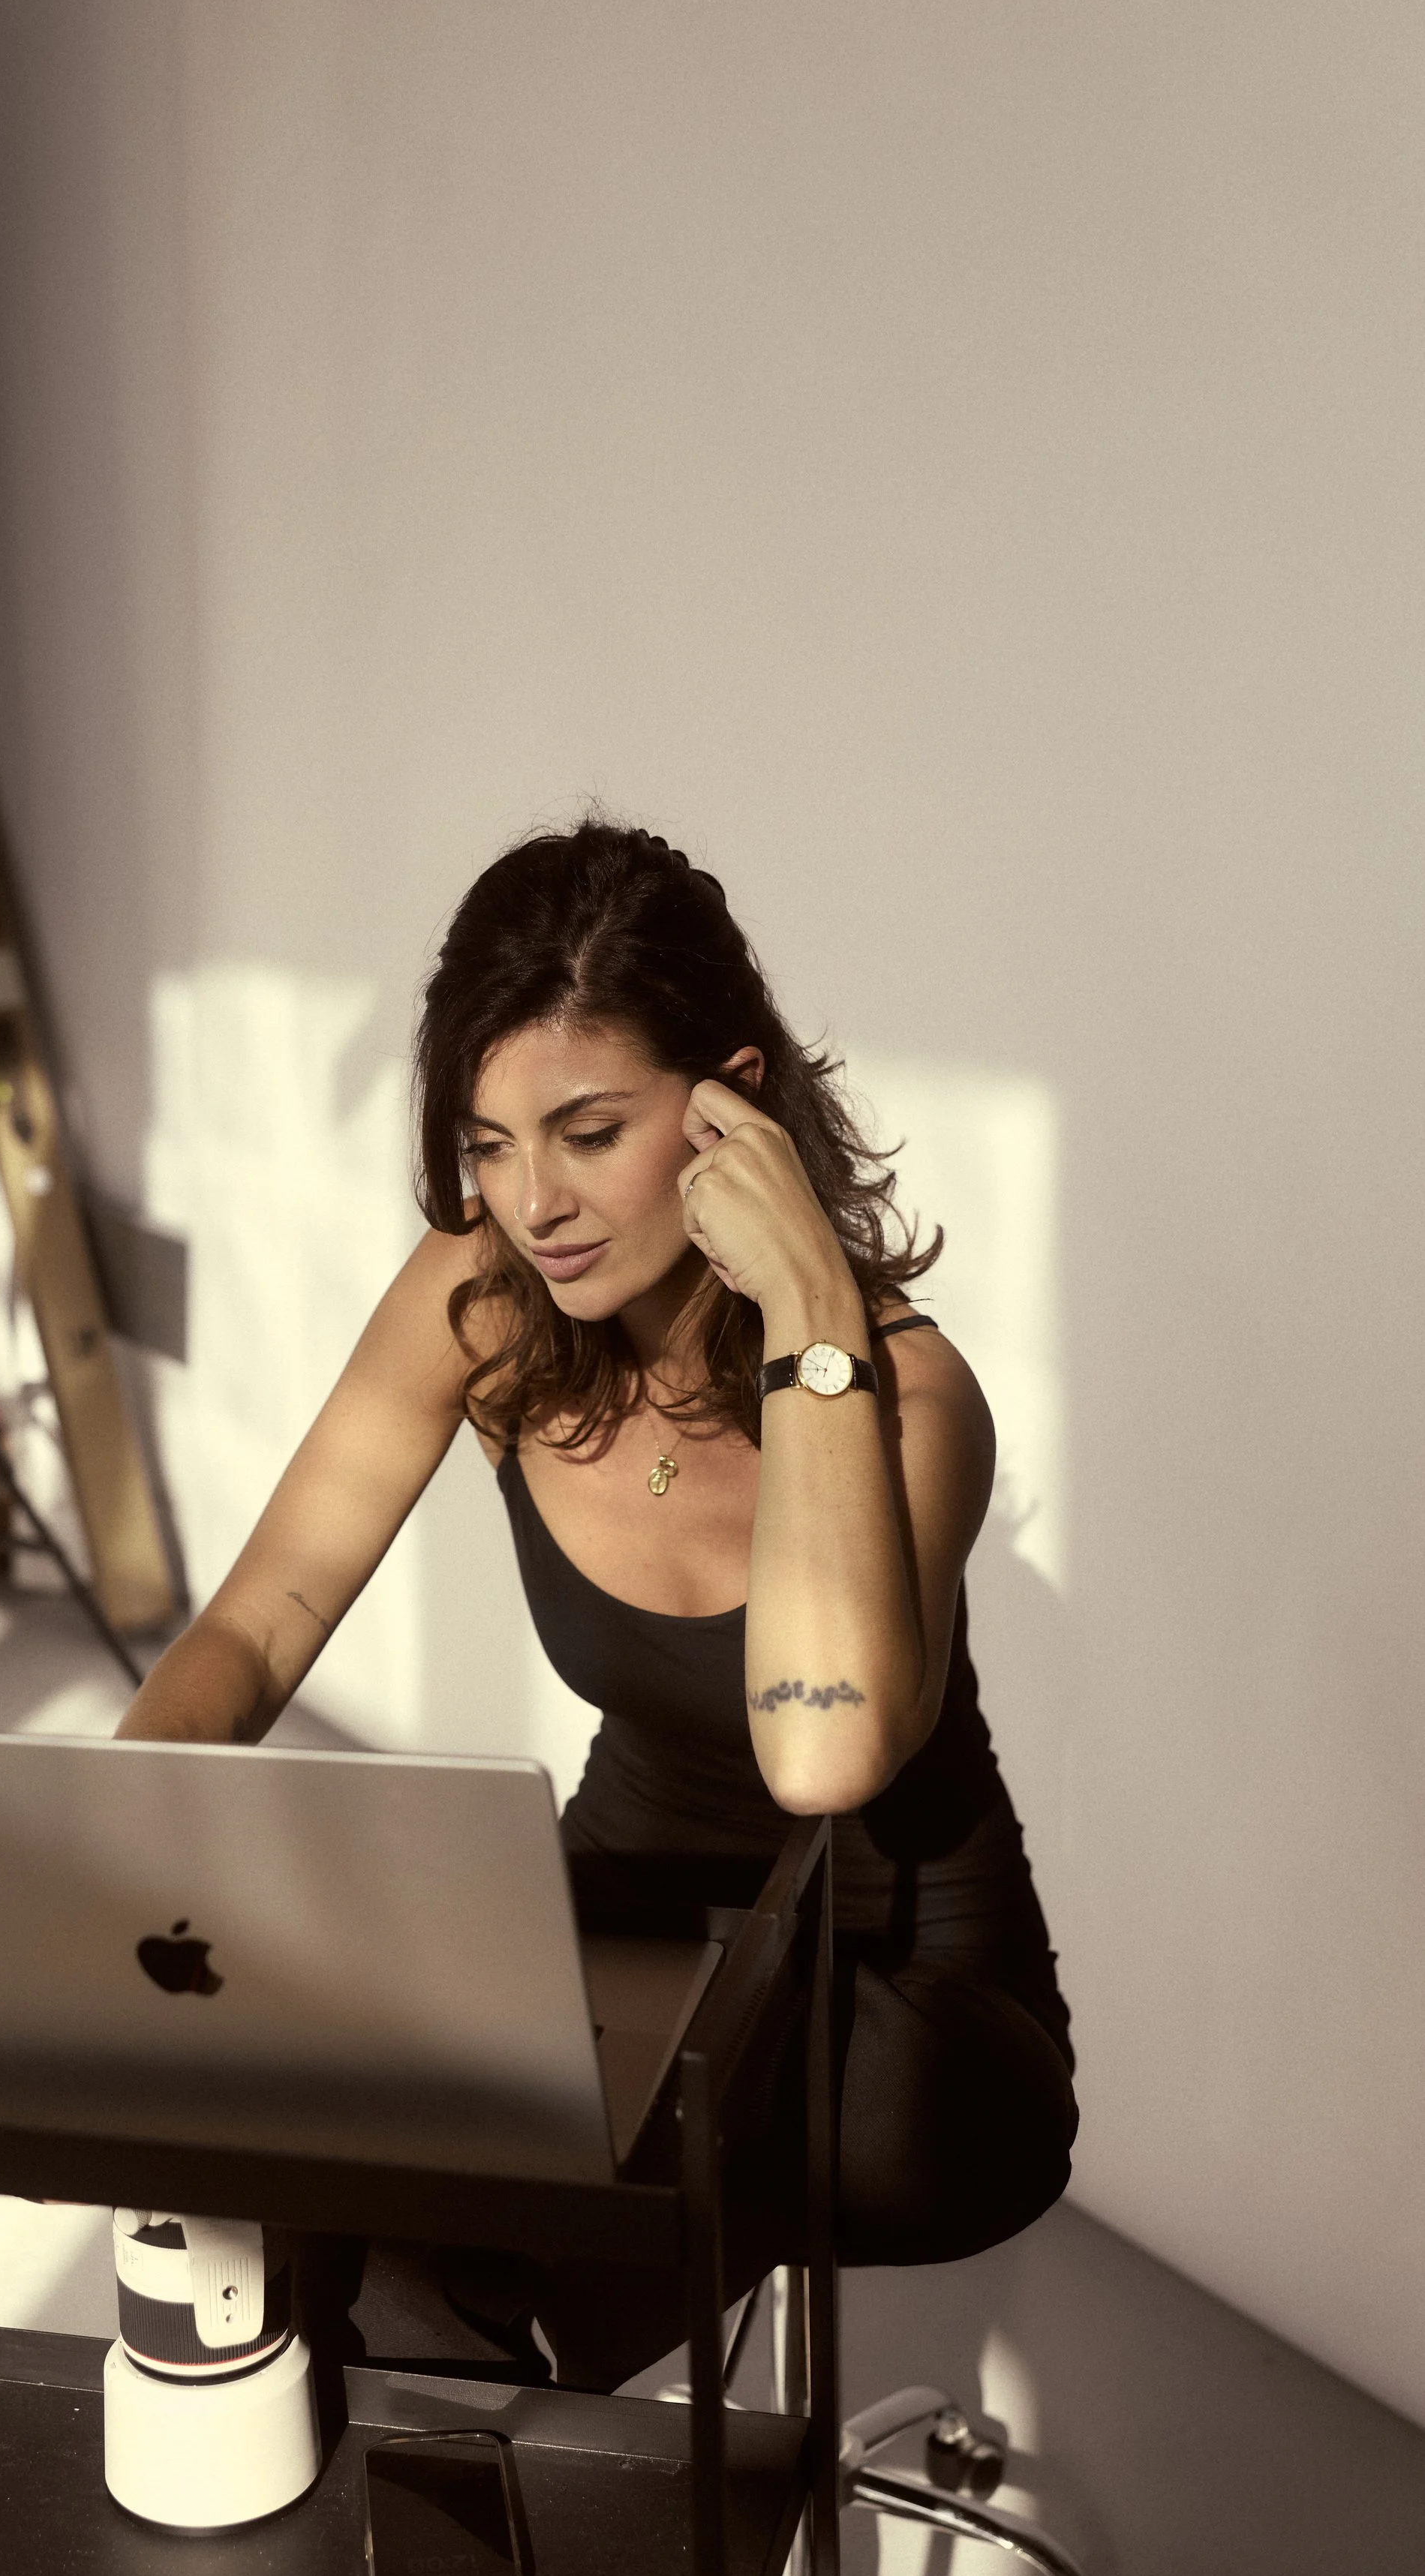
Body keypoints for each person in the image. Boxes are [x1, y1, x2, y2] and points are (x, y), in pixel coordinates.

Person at [119, 819, 1076, 2387]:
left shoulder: (903, 1395)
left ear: (732, 1109)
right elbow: (258, 1620)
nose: (530, 1199)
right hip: (629, 1928)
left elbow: (818, 1758)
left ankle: (550, 2504)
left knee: (473, 2279)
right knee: (304, 2198)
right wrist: (92, 1834)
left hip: (894, 2004)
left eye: (583, 1128)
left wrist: (810, 1310)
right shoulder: (481, 1302)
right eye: (488, 1142)